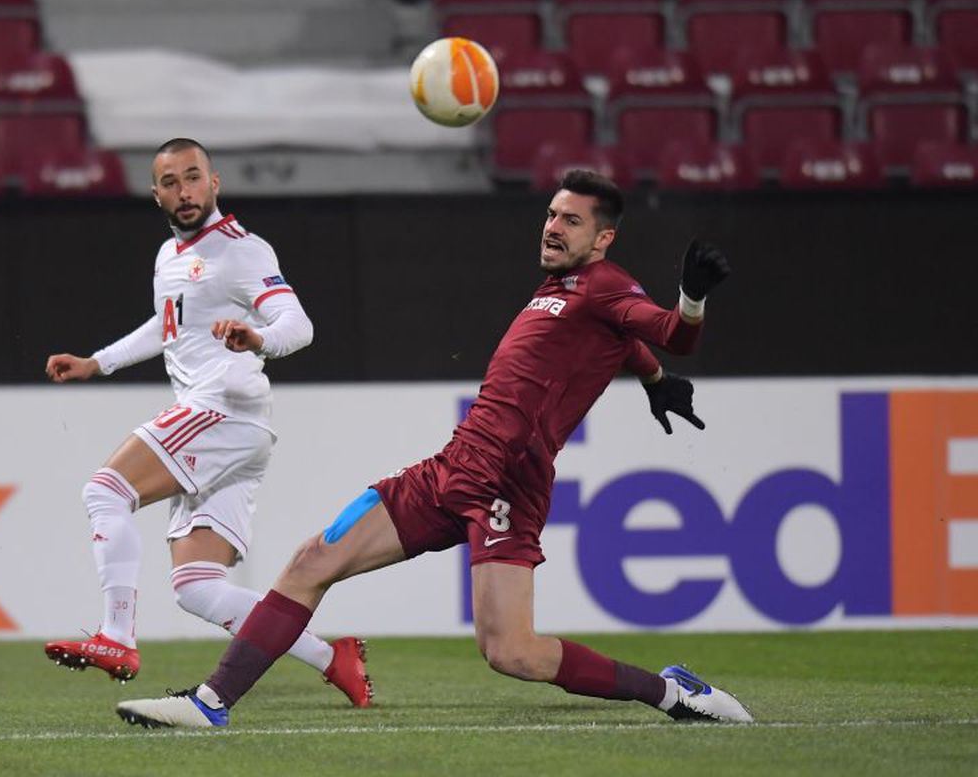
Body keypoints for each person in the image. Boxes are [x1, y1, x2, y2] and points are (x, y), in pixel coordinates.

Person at [114, 169, 753, 729]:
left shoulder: (607, 282)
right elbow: (624, 340)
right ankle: (211, 702)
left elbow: (671, 332)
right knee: (313, 560)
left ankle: (672, 693)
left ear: (604, 238)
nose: (553, 227)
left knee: (513, 653)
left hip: (508, 484)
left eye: (572, 221)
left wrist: (691, 299)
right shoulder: (564, 287)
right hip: (455, 466)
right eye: (552, 214)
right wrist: (654, 380)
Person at [42, 138, 372, 708]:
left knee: (105, 491)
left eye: (193, 177)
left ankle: (117, 635)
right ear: (156, 194)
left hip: (223, 407)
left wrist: (257, 337)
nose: (185, 190)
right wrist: (98, 362)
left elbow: (299, 324)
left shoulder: (242, 251)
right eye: (171, 182)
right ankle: (332, 657)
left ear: (214, 182)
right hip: (236, 430)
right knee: (197, 588)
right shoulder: (168, 257)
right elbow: (167, 324)